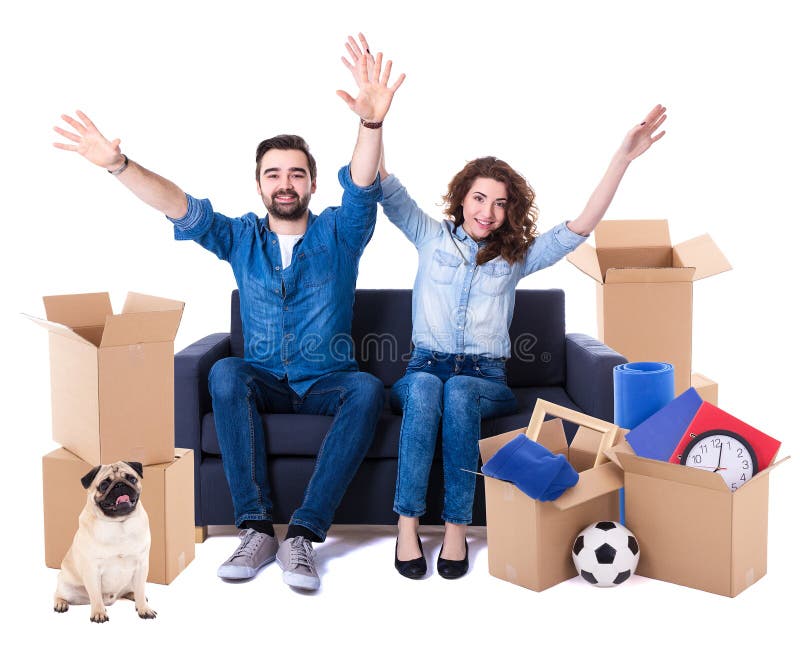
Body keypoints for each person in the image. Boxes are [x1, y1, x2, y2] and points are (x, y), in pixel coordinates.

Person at [53, 44, 405, 591]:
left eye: (295, 174)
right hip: (263, 377)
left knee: (365, 390)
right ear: (259, 185)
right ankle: (257, 529)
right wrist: (119, 165)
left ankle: (303, 537)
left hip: (327, 380)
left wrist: (372, 121)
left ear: (311, 183)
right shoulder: (241, 236)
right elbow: (179, 205)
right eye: (273, 174)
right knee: (224, 371)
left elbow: (362, 185)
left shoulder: (342, 231)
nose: (284, 183)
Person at [342, 34, 666, 580]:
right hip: (425, 366)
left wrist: (622, 158)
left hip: (485, 377)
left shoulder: (516, 258)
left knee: (463, 391)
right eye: (478, 198)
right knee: (424, 388)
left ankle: (455, 530)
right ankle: (406, 526)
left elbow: (581, 225)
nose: (488, 211)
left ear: (508, 211)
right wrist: (373, 121)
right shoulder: (428, 235)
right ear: (461, 198)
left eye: (500, 203)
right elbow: (377, 182)